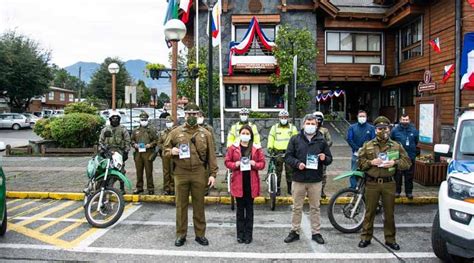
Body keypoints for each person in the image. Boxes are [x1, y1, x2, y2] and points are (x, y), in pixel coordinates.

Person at [163, 102, 218, 247]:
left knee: (199, 205)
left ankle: (200, 235)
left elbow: (211, 155)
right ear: (184, 115)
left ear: (198, 115)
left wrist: (213, 174)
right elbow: (165, 150)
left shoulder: (205, 133)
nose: (191, 116)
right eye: (189, 114)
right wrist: (172, 151)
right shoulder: (175, 132)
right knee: (181, 205)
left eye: (194, 114)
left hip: (199, 172)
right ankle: (181, 234)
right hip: (181, 172)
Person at [357, 116, 411, 250]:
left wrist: (395, 162)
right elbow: (360, 163)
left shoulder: (396, 146)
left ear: (389, 129)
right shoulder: (367, 145)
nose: (383, 131)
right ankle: (366, 237)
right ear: (375, 130)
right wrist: (370, 162)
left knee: (389, 213)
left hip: (389, 183)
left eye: (385, 128)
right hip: (372, 184)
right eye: (380, 128)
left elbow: (407, 163)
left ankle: (390, 239)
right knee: (369, 212)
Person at [283, 114, 333, 245]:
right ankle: (294, 231)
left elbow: (329, 159)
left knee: (315, 208)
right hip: (298, 179)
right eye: (308, 123)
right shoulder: (295, 139)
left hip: (315, 180)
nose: (310, 126)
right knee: (296, 207)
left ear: (316, 125)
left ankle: (316, 232)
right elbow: (288, 156)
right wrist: (297, 163)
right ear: (303, 124)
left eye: (313, 124)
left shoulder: (321, 141)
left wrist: (324, 158)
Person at [225, 125, 265, 244]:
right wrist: (235, 164)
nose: (245, 135)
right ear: (240, 134)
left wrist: (254, 164)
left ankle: (248, 235)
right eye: (243, 133)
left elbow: (262, 164)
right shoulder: (233, 148)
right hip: (238, 183)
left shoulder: (256, 148)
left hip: (251, 183)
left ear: (251, 135)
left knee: (250, 211)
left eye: (248, 133)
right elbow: (227, 162)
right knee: (239, 211)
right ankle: (240, 234)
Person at [267, 110, 298, 196]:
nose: (283, 119)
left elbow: (296, 140)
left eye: (285, 117)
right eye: (282, 117)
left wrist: (296, 149)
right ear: (279, 118)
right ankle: (277, 189)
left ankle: (290, 188)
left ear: (288, 118)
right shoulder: (274, 128)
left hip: (289, 153)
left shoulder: (293, 128)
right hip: (278, 152)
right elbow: (271, 138)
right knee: (277, 171)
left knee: (290, 171)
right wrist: (270, 147)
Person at [99, 110, 131, 194]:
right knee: (107, 170)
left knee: (121, 170)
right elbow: (101, 141)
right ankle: (108, 187)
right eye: (113, 118)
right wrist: (102, 151)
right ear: (110, 119)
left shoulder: (123, 129)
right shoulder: (105, 129)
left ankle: (122, 188)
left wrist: (126, 152)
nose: (115, 119)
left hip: (119, 152)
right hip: (108, 152)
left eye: (117, 118)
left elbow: (127, 141)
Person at [390, 114, 419, 199]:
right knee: (397, 176)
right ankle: (397, 191)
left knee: (409, 176)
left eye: (406, 120)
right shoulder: (395, 130)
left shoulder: (413, 130)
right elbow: (391, 142)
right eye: (403, 119)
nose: (405, 121)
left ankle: (409, 192)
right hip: (398, 157)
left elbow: (416, 141)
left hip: (410, 156)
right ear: (400, 120)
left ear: (409, 120)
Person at [130, 112, 158, 195]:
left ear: (147, 120)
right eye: (142, 119)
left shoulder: (151, 130)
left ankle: (150, 188)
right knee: (139, 171)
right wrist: (134, 145)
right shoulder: (135, 130)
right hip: (138, 153)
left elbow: (156, 140)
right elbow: (131, 140)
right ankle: (139, 187)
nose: (143, 121)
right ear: (139, 120)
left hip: (148, 153)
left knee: (149, 171)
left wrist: (150, 145)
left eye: (145, 119)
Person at [347, 110, 375, 188]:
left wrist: (366, 149)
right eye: (360, 116)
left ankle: (366, 187)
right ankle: (353, 188)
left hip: (368, 154)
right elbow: (349, 139)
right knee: (354, 171)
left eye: (363, 116)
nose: (362, 118)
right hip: (356, 153)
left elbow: (373, 140)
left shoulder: (371, 128)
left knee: (367, 171)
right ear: (357, 117)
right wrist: (357, 148)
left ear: (366, 117)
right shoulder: (352, 127)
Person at [313, 111, 333, 198]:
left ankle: (321, 191)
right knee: (311, 172)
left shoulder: (325, 130)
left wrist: (323, 147)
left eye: (319, 119)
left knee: (323, 174)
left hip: (322, 155)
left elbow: (330, 141)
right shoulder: (310, 129)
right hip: (312, 155)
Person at [157, 116, 176, 195]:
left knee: (173, 171)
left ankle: (173, 188)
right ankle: (166, 188)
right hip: (165, 154)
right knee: (166, 172)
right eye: (167, 122)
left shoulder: (175, 131)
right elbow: (159, 143)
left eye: (170, 122)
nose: (168, 123)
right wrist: (164, 148)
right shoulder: (162, 133)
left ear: (173, 122)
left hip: (173, 154)